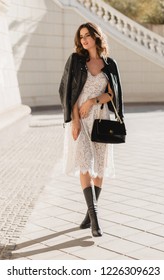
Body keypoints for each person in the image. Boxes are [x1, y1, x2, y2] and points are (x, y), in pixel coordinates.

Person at [59, 22, 124, 237]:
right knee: (85, 163)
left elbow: (111, 95)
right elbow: (70, 94)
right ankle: (95, 219)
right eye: (81, 37)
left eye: (87, 35)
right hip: (81, 121)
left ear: (96, 37)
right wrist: (75, 120)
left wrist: (92, 102)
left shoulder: (109, 63)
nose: (84, 40)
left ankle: (89, 213)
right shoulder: (77, 61)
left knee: (100, 165)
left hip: (100, 119)